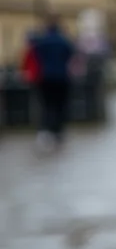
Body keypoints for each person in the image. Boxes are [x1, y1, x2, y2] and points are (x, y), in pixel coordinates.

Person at [28, 17, 75, 151]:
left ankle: (45, 131)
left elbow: (35, 54)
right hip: (61, 77)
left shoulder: (42, 41)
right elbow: (70, 54)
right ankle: (58, 131)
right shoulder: (64, 41)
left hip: (45, 77)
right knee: (60, 106)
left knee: (46, 105)